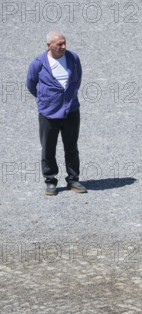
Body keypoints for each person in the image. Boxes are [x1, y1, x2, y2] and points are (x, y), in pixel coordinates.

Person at [26, 32, 86, 195]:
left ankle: (73, 179)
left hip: (71, 111)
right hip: (48, 113)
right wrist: (46, 100)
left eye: (64, 43)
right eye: (59, 44)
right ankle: (50, 180)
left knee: (72, 147)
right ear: (49, 46)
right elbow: (31, 84)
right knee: (48, 148)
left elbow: (77, 79)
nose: (63, 47)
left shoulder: (73, 58)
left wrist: (69, 98)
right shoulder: (39, 63)